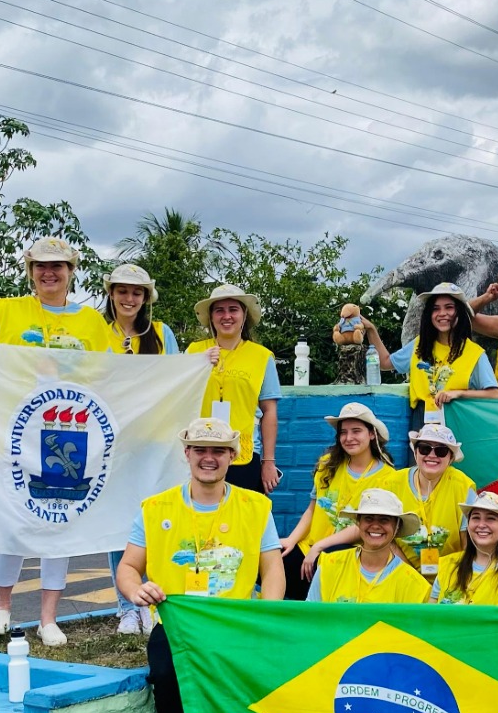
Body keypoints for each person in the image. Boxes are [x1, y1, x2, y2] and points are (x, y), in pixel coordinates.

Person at [116, 417, 286, 713]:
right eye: (201, 450)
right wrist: (135, 590)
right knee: (166, 683)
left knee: (239, 695)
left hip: (234, 626)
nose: (209, 458)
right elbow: (128, 566)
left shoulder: (255, 507)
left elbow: (272, 570)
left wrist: (264, 617)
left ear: (233, 455)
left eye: (219, 451)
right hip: (178, 627)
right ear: (187, 454)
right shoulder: (156, 508)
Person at [0, 235, 110, 646]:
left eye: (57, 266)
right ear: (31, 271)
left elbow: (110, 375)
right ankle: (1, 606)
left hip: (69, 431)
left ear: (71, 272)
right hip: (15, 430)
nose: (48, 273)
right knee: (13, 517)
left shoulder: (92, 322)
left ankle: (48, 617)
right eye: (41, 266)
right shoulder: (8, 312)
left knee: (59, 515)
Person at [102, 262, 179, 637]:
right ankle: (127, 607)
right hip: (112, 445)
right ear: (111, 294)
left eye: (136, 292)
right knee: (119, 524)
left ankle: (152, 603)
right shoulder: (97, 331)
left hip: (155, 444)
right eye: (122, 291)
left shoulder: (162, 334)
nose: (129, 298)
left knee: (155, 521)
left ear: (146, 297)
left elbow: (179, 379)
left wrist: (202, 364)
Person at [277, 401, 395, 600]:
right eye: (343, 432)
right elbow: (312, 509)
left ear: (372, 434)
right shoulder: (327, 464)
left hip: (346, 551)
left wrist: (320, 546)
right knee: (271, 556)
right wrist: (292, 539)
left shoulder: (388, 477)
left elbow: (362, 527)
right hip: (311, 547)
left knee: (326, 565)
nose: (348, 438)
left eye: (356, 431)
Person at [361, 282, 498, 430]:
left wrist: (458, 394)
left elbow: (494, 394)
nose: (442, 313)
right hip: (421, 421)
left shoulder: (474, 353)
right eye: (435, 309)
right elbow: (385, 363)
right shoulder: (420, 344)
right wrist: (371, 329)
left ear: (460, 312)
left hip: (457, 420)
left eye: (449, 307)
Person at [187, 284, 282, 496]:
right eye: (219, 310)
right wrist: (198, 364)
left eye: (233, 309)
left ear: (244, 315)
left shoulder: (262, 356)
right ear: (211, 317)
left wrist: (268, 462)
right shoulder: (194, 351)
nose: (226, 316)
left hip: (244, 452)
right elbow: (178, 394)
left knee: (243, 513)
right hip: (200, 451)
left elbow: (269, 411)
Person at [382, 422, 477, 579]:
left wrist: (449, 582)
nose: (432, 455)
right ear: (415, 453)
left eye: (441, 451)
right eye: (425, 448)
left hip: (452, 576)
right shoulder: (391, 484)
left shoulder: (463, 487)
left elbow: (469, 546)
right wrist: (413, 578)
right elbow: (385, 538)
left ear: (451, 458)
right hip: (402, 573)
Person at [306, 488, 434, 603]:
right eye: (368, 518)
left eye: (384, 520)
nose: (375, 525)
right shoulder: (329, 566)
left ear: (397, 527)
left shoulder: (415, 585)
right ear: (358, 523)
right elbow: (311, 616)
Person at [434, 492, 498, 606]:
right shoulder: (448, 565)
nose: (481, 525)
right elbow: (429, 613)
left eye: (490, 518)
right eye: (476, 518)